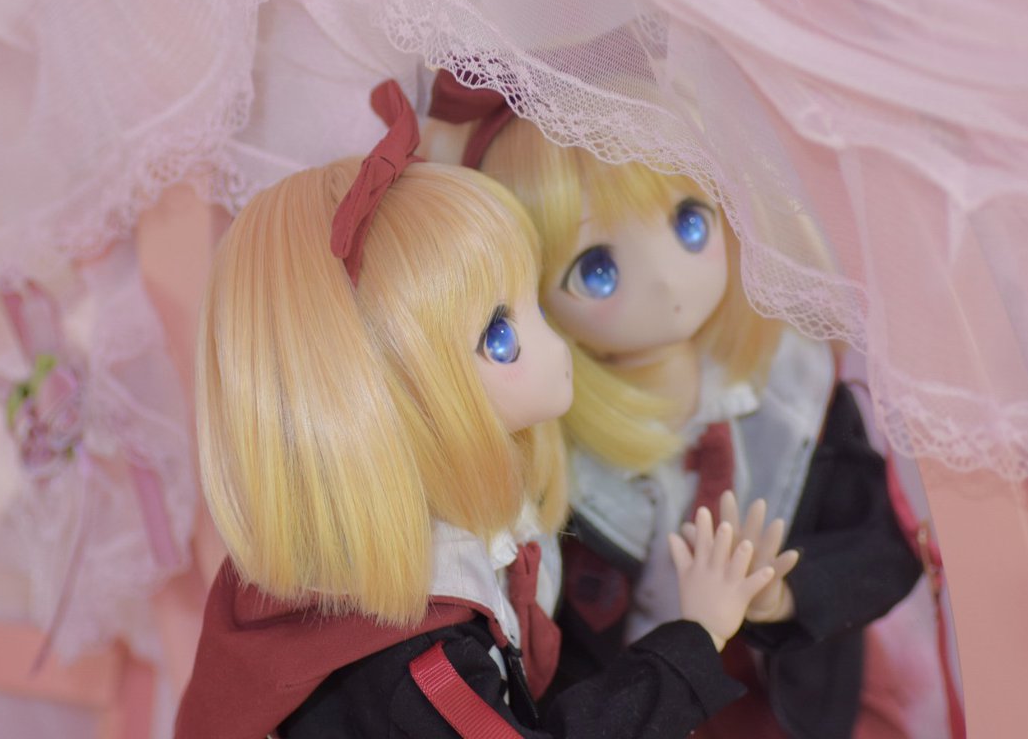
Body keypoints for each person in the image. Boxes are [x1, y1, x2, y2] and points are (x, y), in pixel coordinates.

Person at [174, 80, 785, 738]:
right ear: (384, 405)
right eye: (500, 337)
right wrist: (696, 638)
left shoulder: (453, 549)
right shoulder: (414, 660)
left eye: (536, 303)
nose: (557, 345)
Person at [428, 70, 923, 739]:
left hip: (797, 702)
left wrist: (784, 596)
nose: (666, 282)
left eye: (690, 223)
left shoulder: (792, 388)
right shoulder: (558, 456)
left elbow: (882, 546)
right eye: (597, 269)